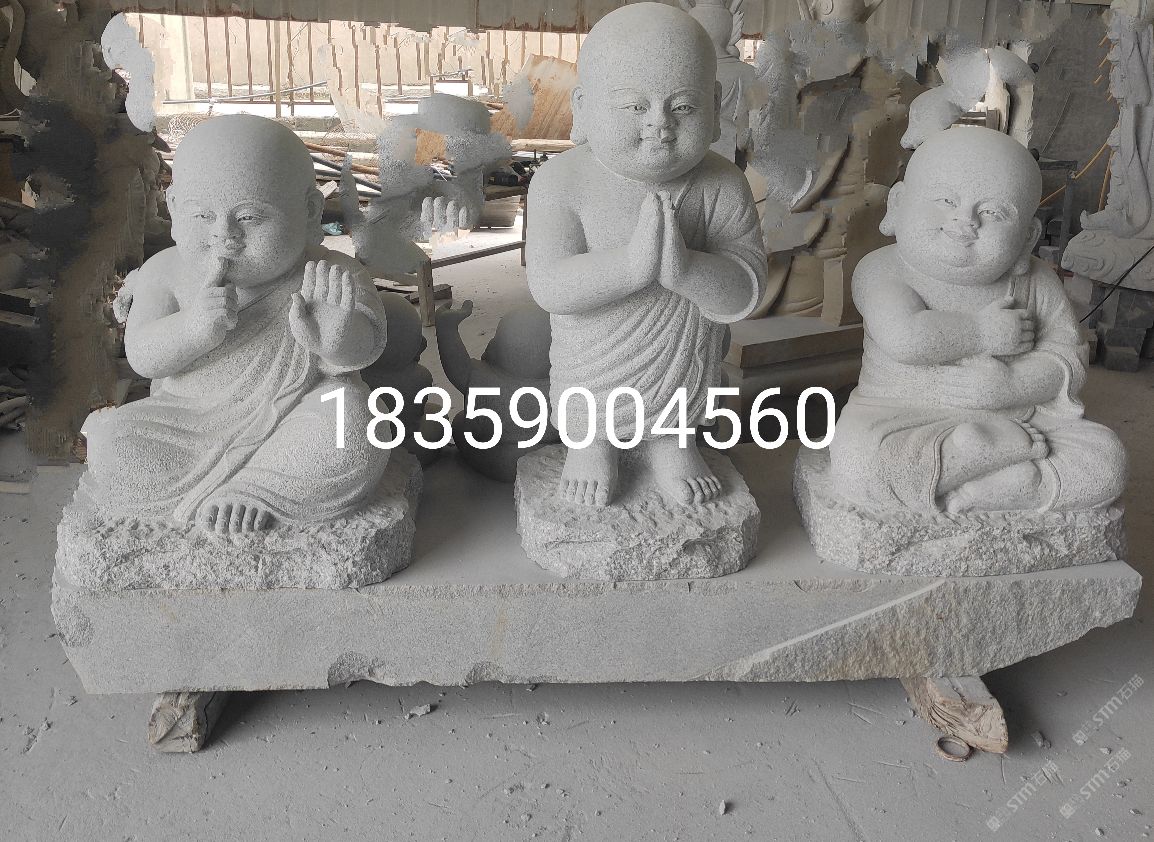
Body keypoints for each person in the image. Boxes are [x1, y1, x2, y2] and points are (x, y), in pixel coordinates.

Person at [85, 115, 388, 535]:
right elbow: (143, 357)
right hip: (187, 420)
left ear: (309, 211)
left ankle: (256, 489)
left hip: (297, 417)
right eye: (202, 215)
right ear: (173, 207)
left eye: (249, 218)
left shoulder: (330, 273)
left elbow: (366, 348)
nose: (224, 235)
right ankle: (221, 488)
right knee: (111, 445)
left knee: (355, 420)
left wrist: (335, 340)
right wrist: (192, 330)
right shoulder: (164, 271)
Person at [526, 2, 767, 507]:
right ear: (584, 107)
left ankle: (673, 443)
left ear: (714, 105)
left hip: (682, 365)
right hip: (593, 362)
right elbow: (549, 286)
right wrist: (632, 266)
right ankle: (590, 445)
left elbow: (745, 289)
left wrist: (688, 270)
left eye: (683, 107)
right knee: (588, 395)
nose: (660, 124)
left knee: (684, 384)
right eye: (634, 107)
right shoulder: (560, 180)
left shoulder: (722, 183)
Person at [831, 126, 1126, 513]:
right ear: (898, 205)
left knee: (1107, 460)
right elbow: (905, 337)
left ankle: (1004, 485)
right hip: (900, 419)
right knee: (860, 465)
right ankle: (978, 460)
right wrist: (982, 332)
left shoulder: (1038, 281)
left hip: (1021, 419)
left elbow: (1067, 361)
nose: (965, 220)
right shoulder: (881, 270)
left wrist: (1012, 386)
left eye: (992, 212)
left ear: (1027, 238)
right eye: (945, 200)